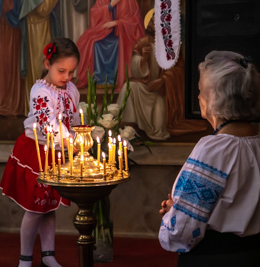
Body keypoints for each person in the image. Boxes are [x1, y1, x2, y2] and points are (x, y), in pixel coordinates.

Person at [158, 51, 260, 266]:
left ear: (216, 99)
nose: (198, 97)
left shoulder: (214, 149)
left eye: (201, 91)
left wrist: (172, 215)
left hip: (216, 257)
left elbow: (182, 231)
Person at [0, 38, 80, 267]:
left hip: (58, 152)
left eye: (71, 72)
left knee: (48, 207)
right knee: (35, 208)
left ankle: (48, 255)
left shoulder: (71, 90)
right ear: (48, 64)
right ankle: (25, 258)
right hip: (38, 151)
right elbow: (48, 126)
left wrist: (78, 137)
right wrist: (70, 142)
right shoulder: (41, 91)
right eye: (61, 71)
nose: (67, 77)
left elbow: (73, 120)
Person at [117, 9, 208, 140]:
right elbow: (135, 69)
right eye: (153, 21)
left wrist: (163, 81)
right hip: (146, 86)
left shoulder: (170, 45)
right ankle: (127, 126)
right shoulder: (143, 42)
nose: (156, 24)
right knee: (128, 87)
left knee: (159, 129)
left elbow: (179, 69)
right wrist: (143, 59)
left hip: (163, 90)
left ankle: (153, 129)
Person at [75, 0, 144, 91]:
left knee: (116, 44)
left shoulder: (130, 1)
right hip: (103, 32)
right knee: (93, 43)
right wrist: (110, 6)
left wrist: (117, 23)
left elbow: (135, 20)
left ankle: (115, 78)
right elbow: (95, 13)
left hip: (122, 35)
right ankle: (99, 78)